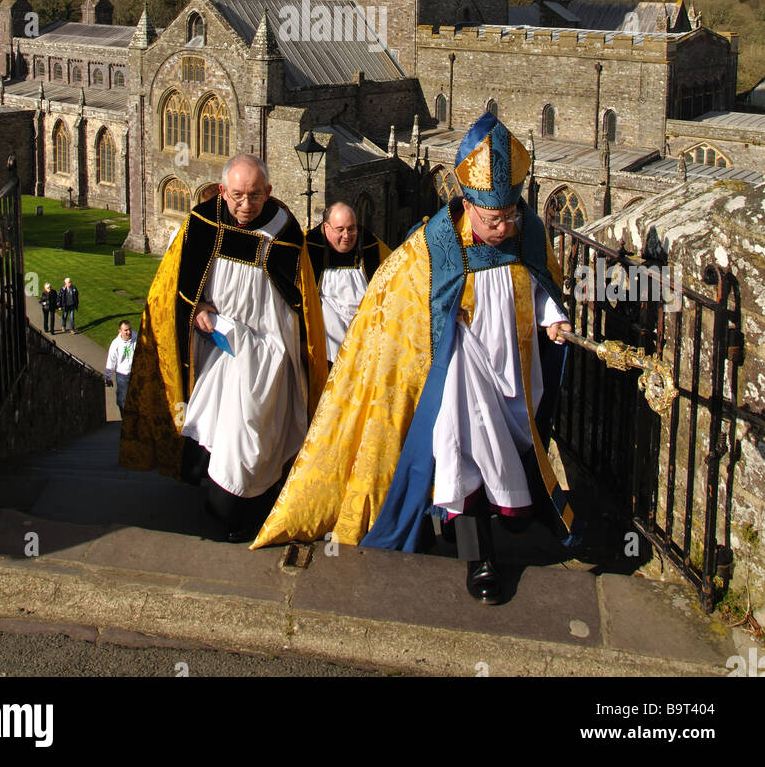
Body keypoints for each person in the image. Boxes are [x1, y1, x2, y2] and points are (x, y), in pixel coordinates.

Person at [253, 113, 573, 605]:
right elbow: (390, 301)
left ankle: (507, 516)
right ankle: (478, 559)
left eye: (510, 216)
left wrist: (553, 317)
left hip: (514, 363)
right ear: (468, 203)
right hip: (458, 367)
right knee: (463, 453)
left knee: (511, 456)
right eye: (493, 220)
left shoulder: (525, 230)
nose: (504, 227)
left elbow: (542, 280)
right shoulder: (435, 243)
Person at [120, 154, 327, 542]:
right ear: (221, 191)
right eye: (236, 196)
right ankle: (223, 502)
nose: (245, 206)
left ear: (269, 192)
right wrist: (194, 307)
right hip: (212, 350)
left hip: (266, 350)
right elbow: (175, 286)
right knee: (215, 420)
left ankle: (248, 505)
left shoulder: (284, 232)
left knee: (254, 427)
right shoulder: (201, 222)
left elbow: (295, 304)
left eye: (254, 196)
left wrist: (288, 344)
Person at [304, 202, 389, 364]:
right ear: (327, 227)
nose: (347, 236)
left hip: (365, 345)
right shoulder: (309, 248)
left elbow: (394, 277)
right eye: (340, 229)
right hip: (325, 349)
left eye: (351, 229)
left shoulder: (371, 246)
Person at [105, 320, 137, 416]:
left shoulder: (136, 338)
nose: (129, 332)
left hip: (135, 373)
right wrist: (108, 376)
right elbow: (111, 360)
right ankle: (125, 419)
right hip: (122, 375)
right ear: (120, 331)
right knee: (122, 399)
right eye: (126, 330)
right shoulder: (116, 344)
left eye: (130, 329)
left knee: (136, 398)